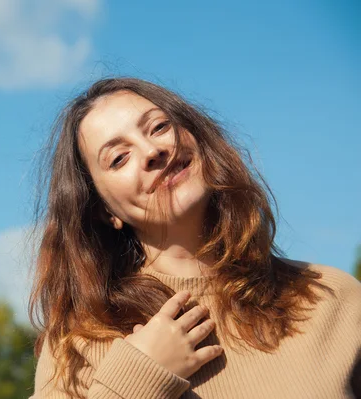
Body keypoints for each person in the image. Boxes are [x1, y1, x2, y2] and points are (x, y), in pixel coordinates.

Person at [27, 78, 361, 398]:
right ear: (105, 211)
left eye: (159, 127)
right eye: (118, 158)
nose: (152, 151)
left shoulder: (333, 298)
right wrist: (138, 379)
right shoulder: (78, 345)